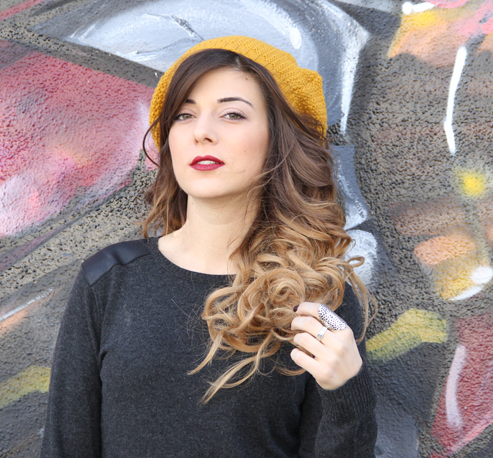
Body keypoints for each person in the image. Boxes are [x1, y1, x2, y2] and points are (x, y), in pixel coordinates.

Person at [41, 35, 377, 457]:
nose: (201, 132)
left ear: (279, 138)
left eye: (233, 114)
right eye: (184, 115)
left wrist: (347, 390)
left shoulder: (317, 296)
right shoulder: (109, 279)